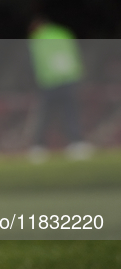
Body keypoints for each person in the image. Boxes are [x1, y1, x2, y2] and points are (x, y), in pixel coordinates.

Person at [27, 17, 94, 163]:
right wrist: (78, 73)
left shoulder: (37, 37)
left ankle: (39, 147)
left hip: (49, 81)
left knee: (46, 115)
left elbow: (38, 60)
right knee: (70, 112)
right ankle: (76, 144)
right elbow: (74, 53)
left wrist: (38, 79)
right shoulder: (64, 32)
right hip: (69, 78)